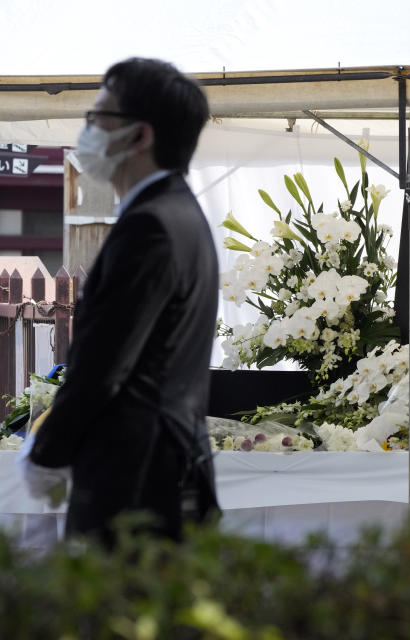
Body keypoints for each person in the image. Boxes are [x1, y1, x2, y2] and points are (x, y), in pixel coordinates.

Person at [19, 58, 220, 546]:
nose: (86, 129)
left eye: (98, 117)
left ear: (138, 135)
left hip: (136, 485)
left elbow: (104, 364)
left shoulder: (149, 226)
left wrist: (46, 452)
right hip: (163, 470)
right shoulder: (181, 212)